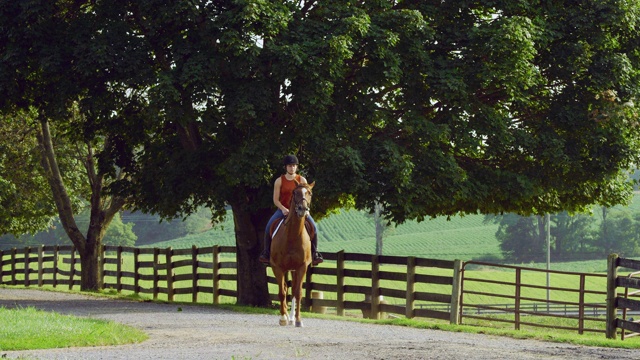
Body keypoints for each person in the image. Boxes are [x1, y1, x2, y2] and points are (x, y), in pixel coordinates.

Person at [259, 154, 323, 266]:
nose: (292, 168)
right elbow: (275, 200)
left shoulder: (302, 179)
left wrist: (306, 209)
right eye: (289, 165)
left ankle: (315, 253)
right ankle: (266, 253)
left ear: (296, 167)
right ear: (285, 167)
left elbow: (306, 196)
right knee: (268, 227)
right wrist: (283, 209)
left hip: (300, 210)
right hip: (283, 209)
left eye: (294, 165)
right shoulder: (279, 181)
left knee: (314, 227)